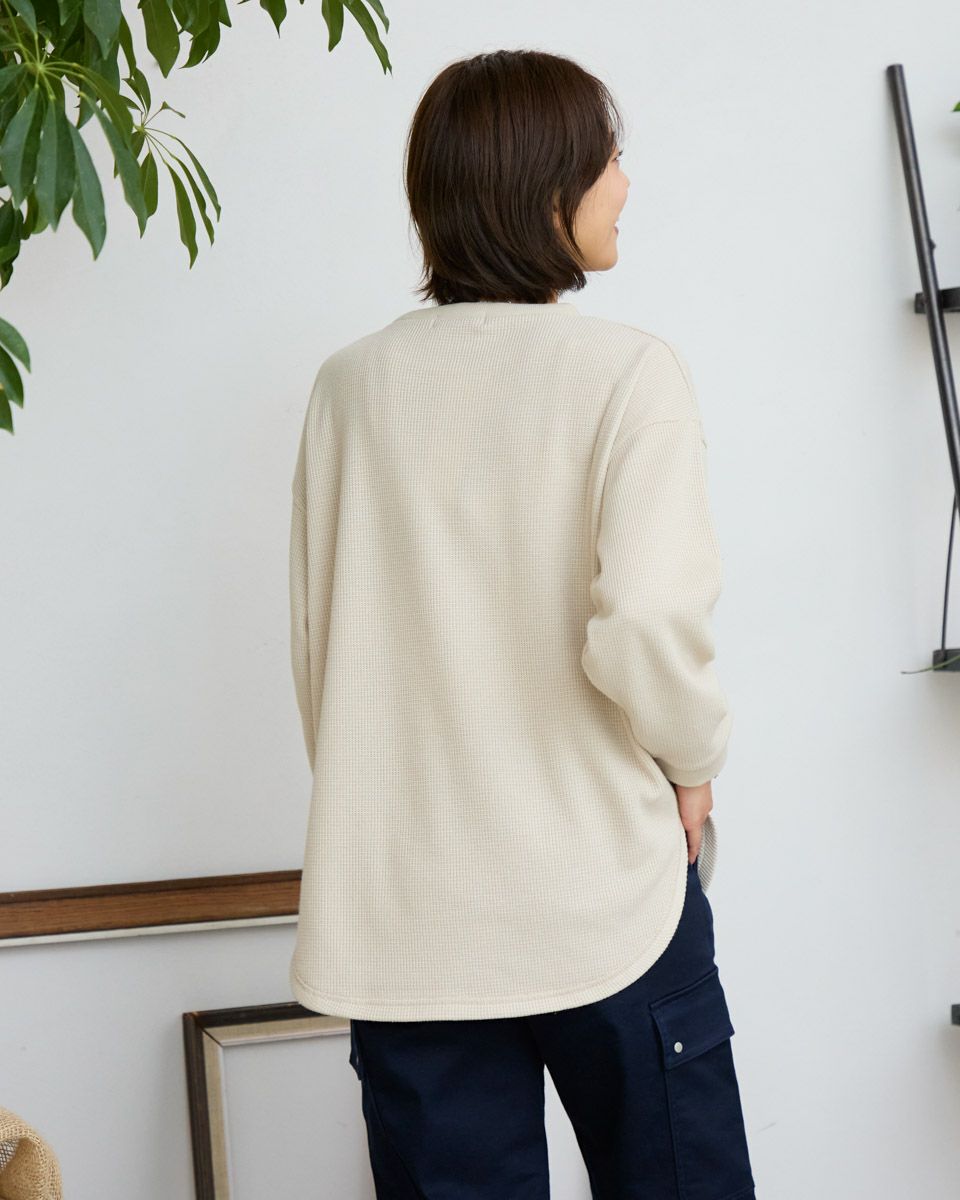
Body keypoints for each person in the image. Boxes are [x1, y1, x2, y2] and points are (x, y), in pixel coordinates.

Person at [288, 47, 756, 1200]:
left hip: (408, 917)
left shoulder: (349, 388)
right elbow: (647, 620)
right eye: (609, 160)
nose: (625, 185)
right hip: (604, 897)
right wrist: (694, 764)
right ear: (549, 189)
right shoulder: (627, 374)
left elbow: (323, 650)